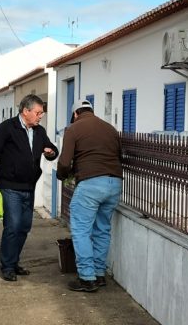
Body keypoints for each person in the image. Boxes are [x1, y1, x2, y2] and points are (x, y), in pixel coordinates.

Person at [0, 94, 59, 282]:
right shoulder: (7, 128)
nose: (41, 116)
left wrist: (51, 152)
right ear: (26, 111)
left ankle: (14, 262)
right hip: (10, 187)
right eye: (38, 113)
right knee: (13, 226)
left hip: (29, 187)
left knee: (24, 227)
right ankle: (7, 266)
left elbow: (50, 149)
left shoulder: (39, 131)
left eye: (42, 113)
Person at [57, 99, 123, 293]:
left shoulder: (74, 129)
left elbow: (64, 162)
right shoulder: (110, 129)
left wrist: (63, 176)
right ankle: (99, 273)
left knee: (81, 231)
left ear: (76, 113)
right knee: (102, 229)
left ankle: (87, 277)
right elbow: (119, 156)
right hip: (114, 183)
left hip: (91, 184)